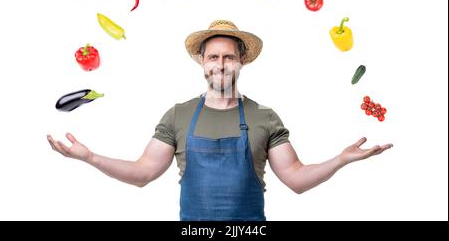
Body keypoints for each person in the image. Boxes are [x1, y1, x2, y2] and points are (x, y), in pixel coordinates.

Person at [47, 20, 393, 221]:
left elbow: (297, 179)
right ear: (202, 62)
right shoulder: (178, 115)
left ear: (242, 61)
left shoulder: (264, 117)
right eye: (213, 56)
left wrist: (342, 160)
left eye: (229, 56)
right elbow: (143, 174)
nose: (221, 63)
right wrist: (90, 158)